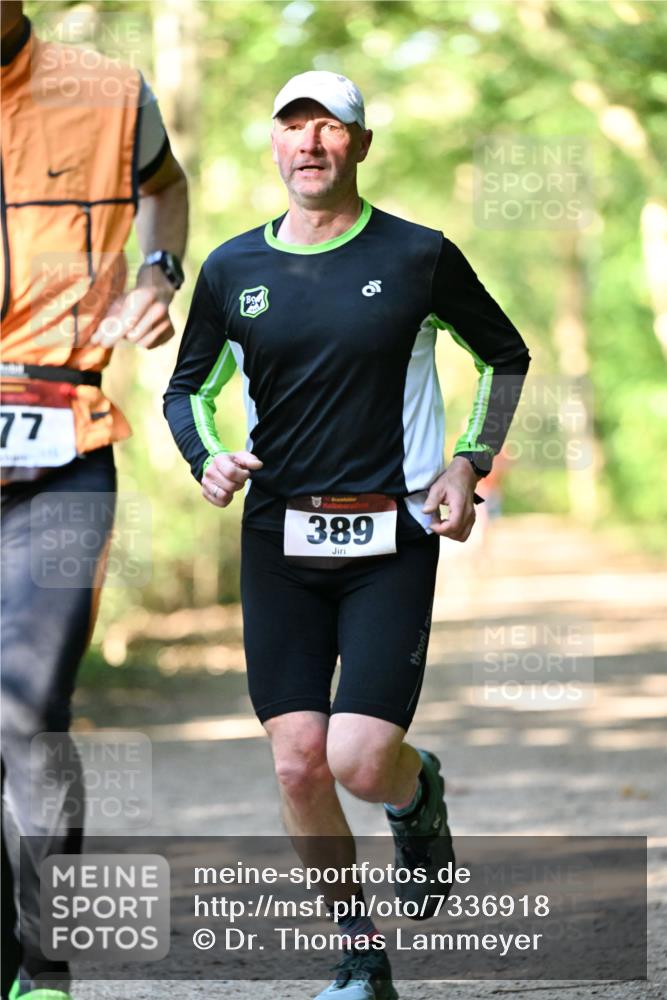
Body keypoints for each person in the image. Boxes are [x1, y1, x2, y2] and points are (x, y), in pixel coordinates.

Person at [164, 70, 529, 999]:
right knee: (297, 763)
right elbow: (186, 390)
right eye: (295, 128)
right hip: (277, 538)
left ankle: (416, 793)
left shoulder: (417, 256)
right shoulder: (231, 269)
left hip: (390, 537)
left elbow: (502, 352)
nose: (311, 145)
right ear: (274, 146)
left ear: (361, 146)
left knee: (359, 761)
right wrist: (205, 458)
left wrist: (467, 460)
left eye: (332, 128)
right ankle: (359, 957)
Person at [0, 3, 188, 997]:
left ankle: (43, 968)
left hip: (58, 449)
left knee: (28, 711)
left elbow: (166, 188)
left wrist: (159, 270)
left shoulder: (110, 95)